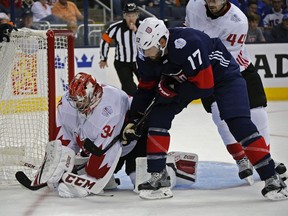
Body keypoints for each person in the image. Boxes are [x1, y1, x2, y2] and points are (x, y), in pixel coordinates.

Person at [122, 17, 288, 200]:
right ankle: (158, 176)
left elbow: (205, 86)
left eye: (150, 49)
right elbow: (145, 89)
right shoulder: (146, 55)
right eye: (143, 49)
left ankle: (272, 178)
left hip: (223, 77)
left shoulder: (188, 44)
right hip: (183, 79)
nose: (146, 54)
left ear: (162, 41)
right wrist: (133, 119)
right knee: (157, 118)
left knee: (238, 123)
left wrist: (172, 90)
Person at [185, 0, 286, 184]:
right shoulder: (193, 5)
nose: (211, 2)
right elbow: (188, 31)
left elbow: (224, 60)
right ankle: (241, 158)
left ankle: (265, 159)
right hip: (206, 71)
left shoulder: (237, 21)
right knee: (219, 116)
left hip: (237, 69)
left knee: (258, 114)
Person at [30, 72, 140, 198]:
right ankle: (108, 179)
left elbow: (106, 149)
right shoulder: (67, 103)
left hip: (133, 142)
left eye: (81, 100)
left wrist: (92, 175)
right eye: (75, 100)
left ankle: (157, 172)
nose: (77, 104)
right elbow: (65, 137)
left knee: (138, 178)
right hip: (104, 144)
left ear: (94, 95)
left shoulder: (111, 108)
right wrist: (58, 162)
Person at [99, 3, 140, 96]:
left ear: (137, 16)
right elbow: (105, 40)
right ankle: (133, 106)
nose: (131, 18)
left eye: (133, 15)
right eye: (128, 15)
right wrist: (103, 58)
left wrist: (137, 31)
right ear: (124, 16)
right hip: (122, 63)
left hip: (140, 62)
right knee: (129, 88)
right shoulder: (115, 28)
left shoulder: (143, 26)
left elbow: (149, 40)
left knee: (146, 85)